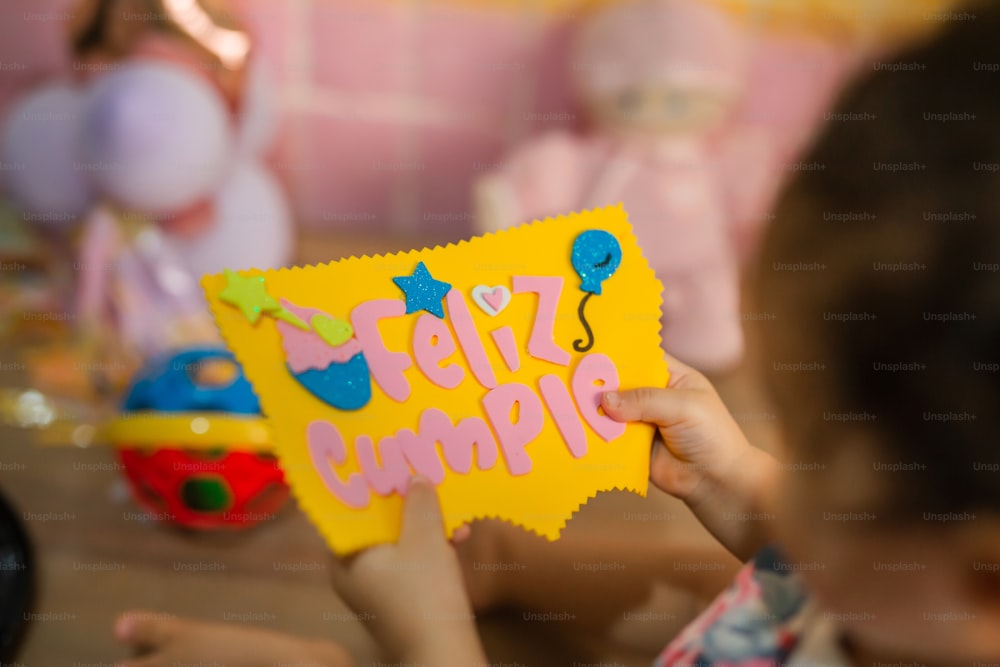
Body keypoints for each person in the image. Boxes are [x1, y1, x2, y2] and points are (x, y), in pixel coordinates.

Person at [113, 4, 1000, 665]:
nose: (779, 462)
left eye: (804, 452)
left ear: (981, 576)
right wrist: (740, 486)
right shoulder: (910, 596)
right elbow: (794, 584)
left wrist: (428, 643)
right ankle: (497, 566)